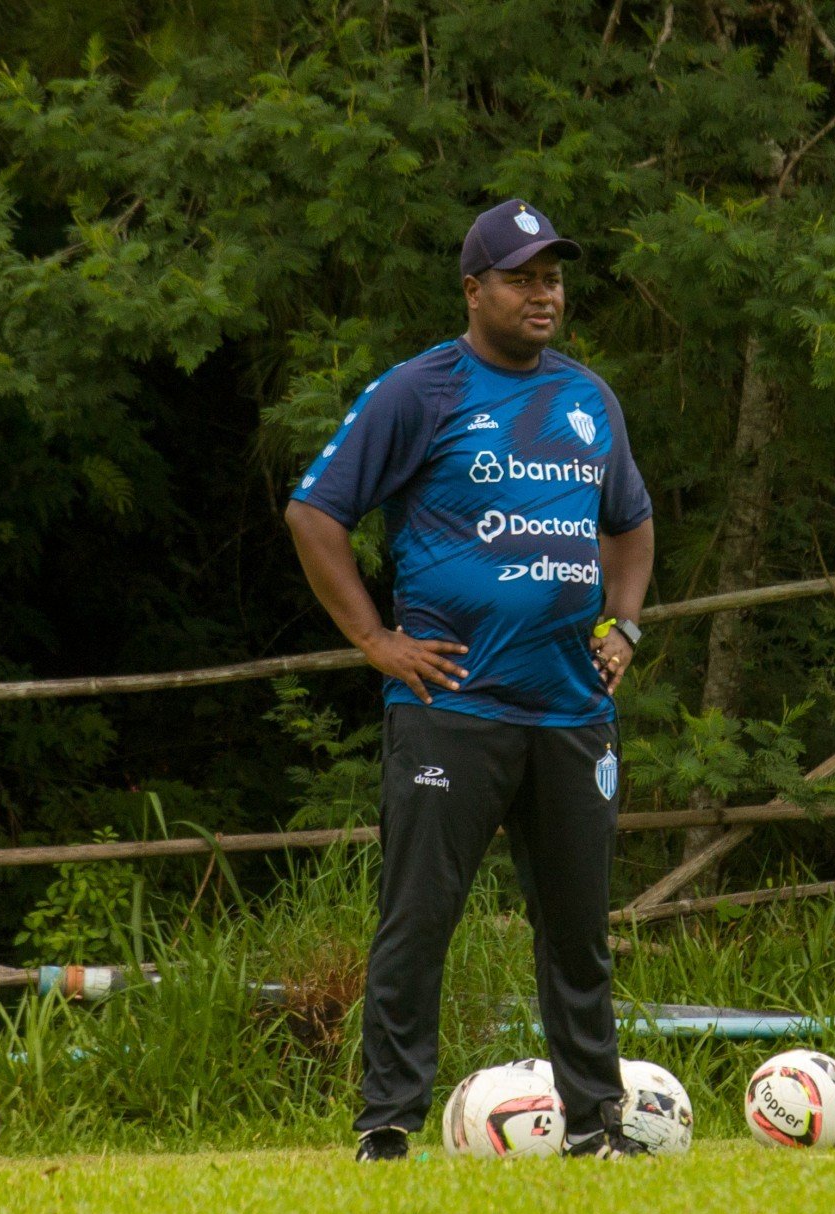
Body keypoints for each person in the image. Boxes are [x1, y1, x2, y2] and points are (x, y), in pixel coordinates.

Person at [284, 198, 657, 1161]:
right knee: (418, 921)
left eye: (554, 278)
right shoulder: (423, 391)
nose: (544, 294)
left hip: (571, 709)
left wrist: (624, 621)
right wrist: (377, 639)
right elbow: (316, 513)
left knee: (578, 934)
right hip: (451, 707)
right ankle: (388, 1126)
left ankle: (596, 1126)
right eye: (523, 278)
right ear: (473, 289)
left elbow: (630, 520)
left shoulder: (589, 399)